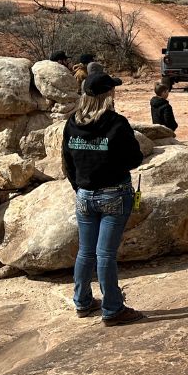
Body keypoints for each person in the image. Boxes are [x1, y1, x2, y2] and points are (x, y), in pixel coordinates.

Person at [63, 71, 145, 326]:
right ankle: (112, 308)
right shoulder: (116, 123)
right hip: (114, 194)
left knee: (86, 252)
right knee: (105, 254)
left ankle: (83, 302)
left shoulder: (72, 123)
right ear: (108, 94)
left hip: (85, 195)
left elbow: (67, 161)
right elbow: (134, 159)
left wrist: (80, 186)